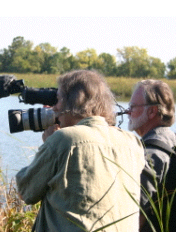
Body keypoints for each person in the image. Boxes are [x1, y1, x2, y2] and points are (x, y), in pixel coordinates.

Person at [16, 70, 145, 232]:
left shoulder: (64, 140)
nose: (54, 108)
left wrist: (49, 143)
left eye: (58, 99)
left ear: (73, 102)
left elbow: (25, 192)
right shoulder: (132, 142)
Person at [127, 79, 176, 231]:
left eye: (132, 106)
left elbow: (137, 211)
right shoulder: (174, 139)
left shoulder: (151, 153)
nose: (127, 111)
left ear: (151, 111)